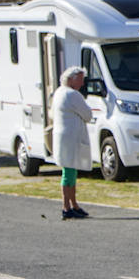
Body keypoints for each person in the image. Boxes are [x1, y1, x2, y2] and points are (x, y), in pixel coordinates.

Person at [50, 66, 92, 221]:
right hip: (70, 137)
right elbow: (87, 114)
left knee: (70, 169)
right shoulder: (73, 94)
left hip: (62, 135)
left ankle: (73, 204)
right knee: (69, 171)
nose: (82, 83)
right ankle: (66, 206)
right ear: (72, 79)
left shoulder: (59, 92)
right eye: (80, 79)